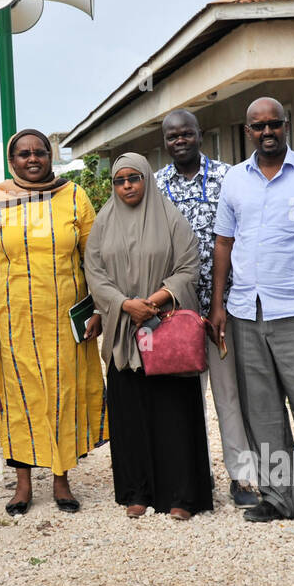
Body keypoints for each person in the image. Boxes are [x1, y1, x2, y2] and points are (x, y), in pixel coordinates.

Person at [209, 97, 294, 538]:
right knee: (262, 412)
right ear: (247, 130)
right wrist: (217, 306)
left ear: (286, 125)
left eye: (274, 124)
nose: (266, 132)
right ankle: (279, 495)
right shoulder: (234, 179)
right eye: (257, 126)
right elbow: (224, 245)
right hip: (247, 310)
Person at [0, 128, 106, 515]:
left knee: (65, 394)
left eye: (40, 153)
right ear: (12, 161)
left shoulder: (74, 195)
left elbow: (94, 257)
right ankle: (22, 485)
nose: (32, 159)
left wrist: (97, 308)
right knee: (20, 398)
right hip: (14, 320)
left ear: (50, 156)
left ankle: (62, 479)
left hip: (67, 320)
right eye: (23, 154)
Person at [85, 153, 212, 519]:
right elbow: (94, 272)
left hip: (165, 329)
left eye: (134, 178)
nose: (127, 185)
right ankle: (135, 491)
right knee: (131, 414)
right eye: (120, 180)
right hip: (124, 331)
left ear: (147, 180)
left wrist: (152, 303)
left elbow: (189, 264)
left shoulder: (170, 218)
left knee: (172, 411)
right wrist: (126, 305)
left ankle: (182, 496)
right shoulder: (103, 222)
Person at [155, 109, 256, 508]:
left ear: (200, 135)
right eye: (172, 136)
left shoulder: (229, 177)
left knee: (230, 395)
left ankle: (243, 479)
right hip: (176, 310)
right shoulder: (156, 184)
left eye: (187, 133)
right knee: (184, 400)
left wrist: (222, 305)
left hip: (224, 307)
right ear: (165, 142)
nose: (180, 141)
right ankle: (193, 479)